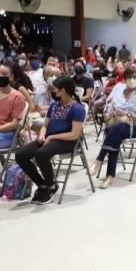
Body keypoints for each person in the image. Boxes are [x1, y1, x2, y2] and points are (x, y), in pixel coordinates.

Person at [15, 77, 85, 205]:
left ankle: (51, 185)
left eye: (55, 89)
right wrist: (42, 134)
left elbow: (74, 135)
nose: (52, 92)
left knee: (41, 153)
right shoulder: (54, 106)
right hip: (48, 139)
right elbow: (45, 125)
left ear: (63, 91)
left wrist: (51, 137)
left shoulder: (77, 108)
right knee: (20, 155)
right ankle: (42, 185)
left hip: (68, 141)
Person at [90, 66, 136, 189]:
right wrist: (112, 112)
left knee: (115, 130)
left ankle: (99, 160)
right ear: (125, 78)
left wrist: (127, 114)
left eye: (135, 77)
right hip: (117, 125)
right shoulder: (120, 90)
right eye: (129, 77)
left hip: (135, 128)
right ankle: (109, 176)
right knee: (115, 135)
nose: (131, 80)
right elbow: (111, 105)